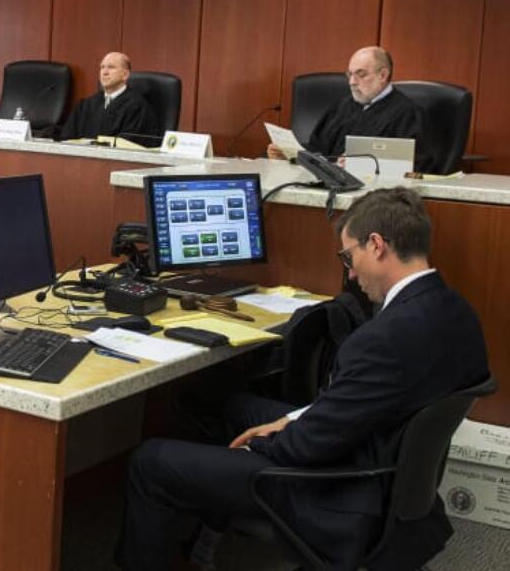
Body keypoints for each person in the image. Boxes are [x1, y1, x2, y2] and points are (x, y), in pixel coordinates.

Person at [115, 187, 488, 571]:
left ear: (376, 245)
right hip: (383, 468)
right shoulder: (458, 314)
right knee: (234, 407)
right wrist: (291, 419)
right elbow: (370, 399)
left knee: (150, 462)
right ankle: (207, 541)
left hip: (341, 490)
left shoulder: (383, 338)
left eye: (349, 256)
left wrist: (260, 445)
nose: (351, 272)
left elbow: (308, 448)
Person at [270, 46, 427, 170]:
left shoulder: (408, 113)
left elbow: (415, 167)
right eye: (350, 74)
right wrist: (290, 153)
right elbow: (317, 148)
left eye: (361, 74)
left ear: (383, 75)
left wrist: (362, 166)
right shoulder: (342, 106)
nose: (352, 82)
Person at [56, 51, 160, 142]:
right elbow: (67, 138)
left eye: (111, 67)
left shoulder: (137, 108)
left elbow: (131, 146)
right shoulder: (86, 105)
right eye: (102, 67)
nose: (104, 72)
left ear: (125, 75)